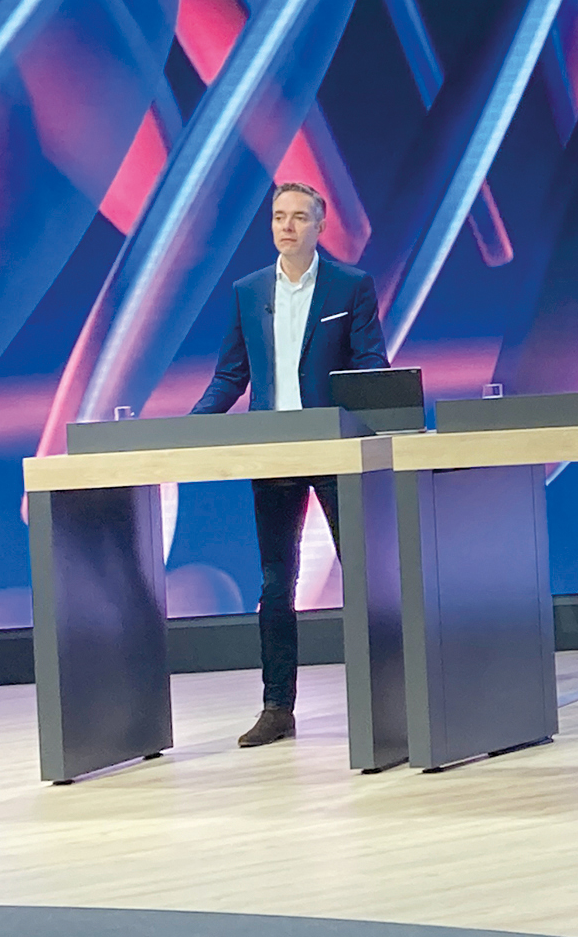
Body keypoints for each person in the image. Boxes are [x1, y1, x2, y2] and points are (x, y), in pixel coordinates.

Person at [190, 181, 389, 749]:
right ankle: (277, 707)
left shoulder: (351, 285)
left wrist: (376, 421)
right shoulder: (248, 291)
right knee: (277, 583)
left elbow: (371, 364)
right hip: (273, 449)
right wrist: (190, 428)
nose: (287, 226)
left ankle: (385, 698)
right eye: (279, 216)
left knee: (365, 576)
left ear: (320, 226)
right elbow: (231, 375)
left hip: (335, 447)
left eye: (300, 217)